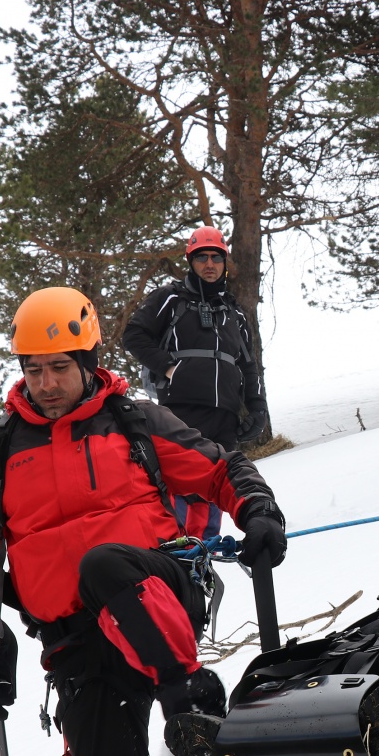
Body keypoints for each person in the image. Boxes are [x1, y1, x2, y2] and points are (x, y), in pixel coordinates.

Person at [0, 287, 287, 756]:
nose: (46, 384)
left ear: (88, 361)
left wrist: (258, 511)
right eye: (33, 371)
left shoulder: (135, 422)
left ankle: (189, 696)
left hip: (157, 594)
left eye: (59, 367)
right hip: (77, 642)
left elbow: (220, 469)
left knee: (102, 564)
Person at [123, 226, 268, 539]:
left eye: (216, 257)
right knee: (185, 482)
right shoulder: (171, 298)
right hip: (182, 410)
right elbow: (133, 334)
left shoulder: (234, 311)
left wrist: (257, 408)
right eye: (202, 257)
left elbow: (248, 363)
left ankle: (205, 558)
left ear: (225, 261)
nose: (210, 264)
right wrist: (168, 368)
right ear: (191, 261)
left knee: (218, 481)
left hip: (226, 414)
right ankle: (178, 554)